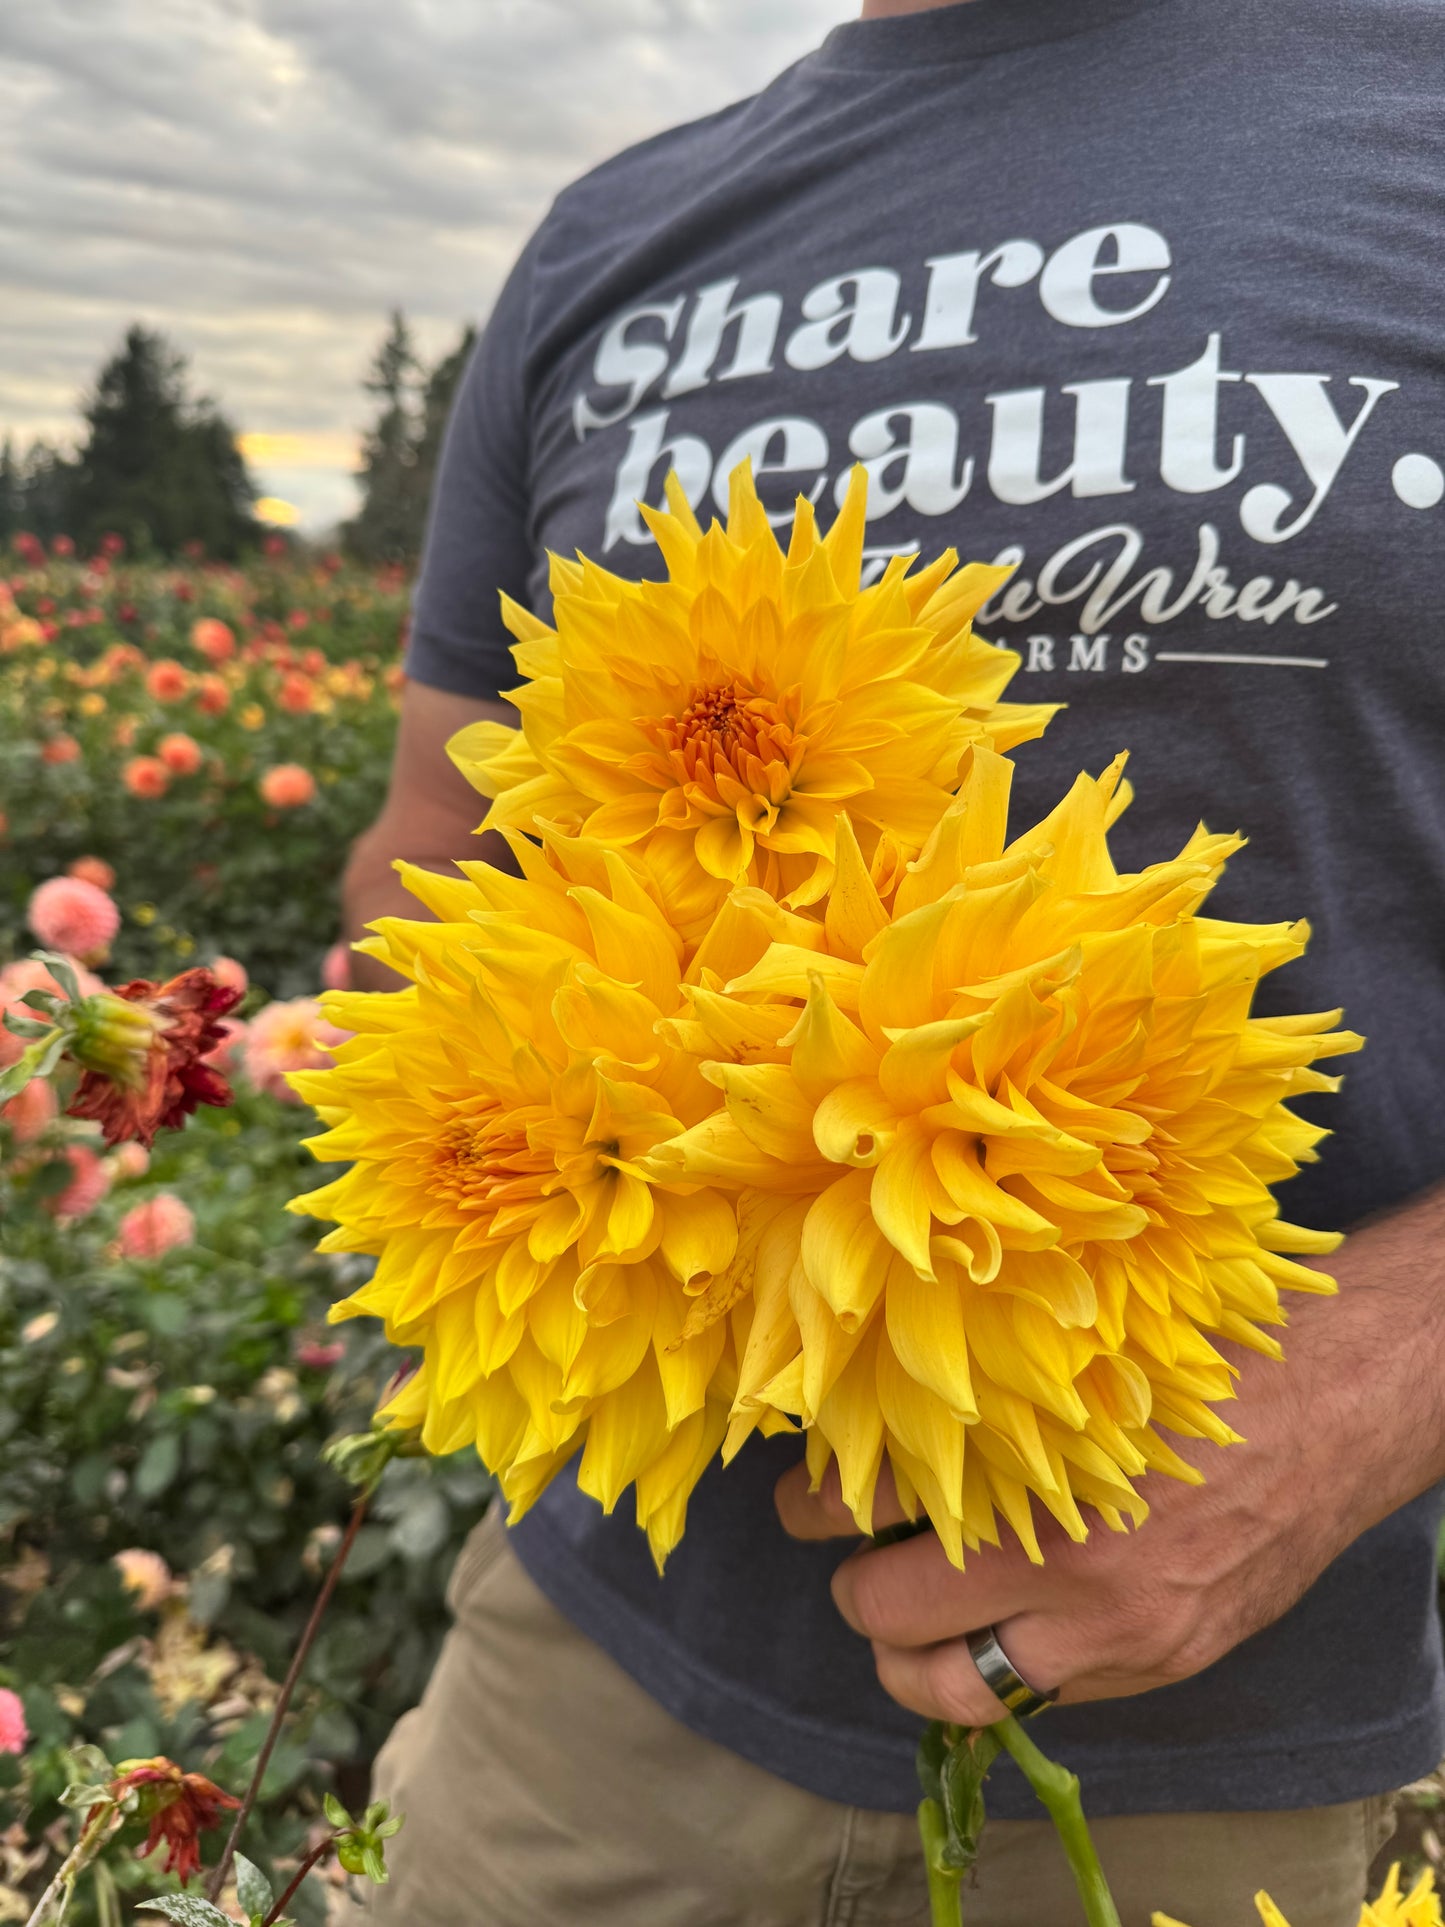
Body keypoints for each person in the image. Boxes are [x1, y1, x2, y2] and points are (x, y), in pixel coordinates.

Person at [339, 0, 1445, 1920]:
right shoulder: (614, 237)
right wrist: (500, 1086)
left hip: (1198, 1752)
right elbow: (428, 855)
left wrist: (1384, 1370)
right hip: (584, 1695)